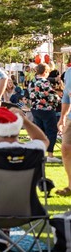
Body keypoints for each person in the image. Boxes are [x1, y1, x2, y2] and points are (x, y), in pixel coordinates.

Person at [28, 63, 62, 163]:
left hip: (35, 109)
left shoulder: (32, 82)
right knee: (51, 132)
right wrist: (59, 99)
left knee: (40, 132)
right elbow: (52, 96)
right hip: (46, 109)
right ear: (45, 72)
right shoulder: (44, 82)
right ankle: (50, 155)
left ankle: (39, 154)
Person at [58, 59, 71, 196]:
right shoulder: (68, 73)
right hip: (70, 119)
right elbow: (66, 98)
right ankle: (70, 186)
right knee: (66, 149)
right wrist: (62, 117)